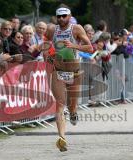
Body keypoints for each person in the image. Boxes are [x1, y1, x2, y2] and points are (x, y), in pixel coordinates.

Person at [46, 6, 93, 152]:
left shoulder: (76, 29)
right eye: (59, 16)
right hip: (58, 71)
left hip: (74, 72)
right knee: (60, 104)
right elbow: (46, 45)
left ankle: (73, 113)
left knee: (72, 105)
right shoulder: (52, 29)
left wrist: (73, 45)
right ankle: (62, 138)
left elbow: (90, 48)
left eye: (64, 16)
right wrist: (47, 54)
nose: (61, 19)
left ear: (69, 16)